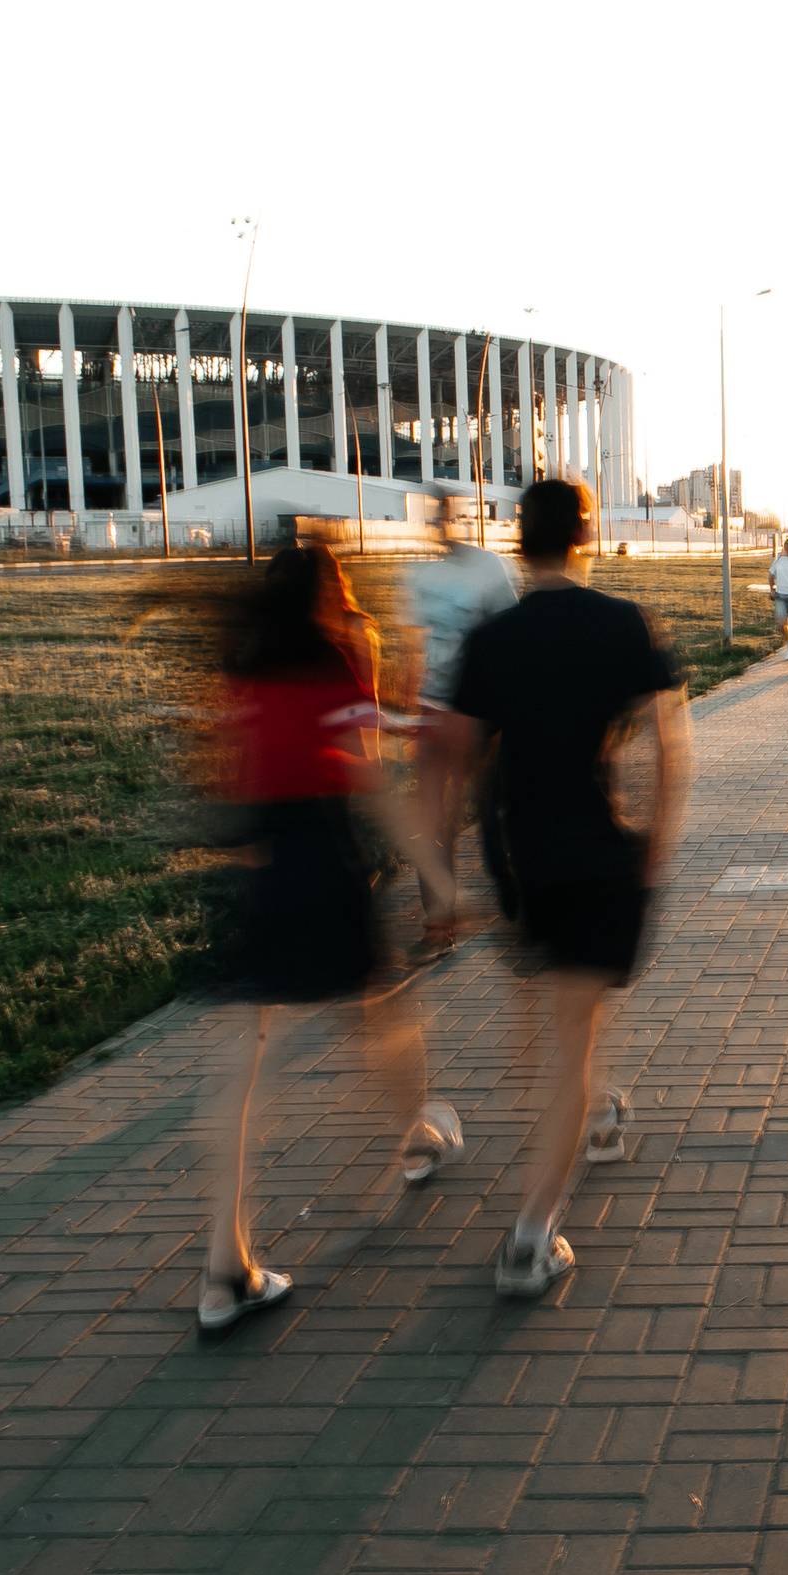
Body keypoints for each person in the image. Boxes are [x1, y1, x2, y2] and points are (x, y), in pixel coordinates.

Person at [198, 544, 466, 1333]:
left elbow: (227, 773)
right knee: (384, 1011)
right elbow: (370, 780)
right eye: (341, 587)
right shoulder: (333, 666)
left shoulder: (245, 670)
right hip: (323, 859)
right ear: (324, 596)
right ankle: (418, 1137)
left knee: (240, 1070)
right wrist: (439, 877)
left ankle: (222, 1271)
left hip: (262, 870)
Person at [450, 480, 691, 1298]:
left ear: (521, 542)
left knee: (555, 1026)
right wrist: (656, 840)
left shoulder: (493, 639)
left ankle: (591, 1114)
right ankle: (531, 1235)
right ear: (584, 537)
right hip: (597, 857)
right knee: (573, 1043)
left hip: (523, 862)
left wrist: (450, 868)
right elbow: (670, 743)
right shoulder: (624, 623)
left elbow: (461, 759)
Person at [403, 489, 518, 955]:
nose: (442, 525)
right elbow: (416, 645)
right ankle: (438, 926)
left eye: (449, 515)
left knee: (494, 814)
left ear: (465, 519)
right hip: (435, 708)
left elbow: (511, 638)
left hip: (482, 711)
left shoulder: (491, 568)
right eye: (435, 517)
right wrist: (413, 703)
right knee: (433, 821)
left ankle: (514, 899)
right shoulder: (420, 573)